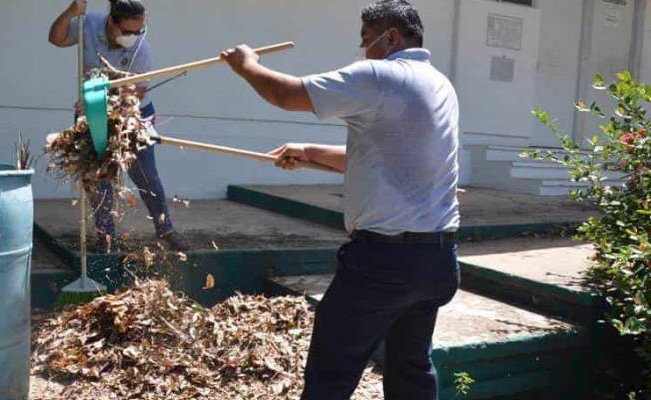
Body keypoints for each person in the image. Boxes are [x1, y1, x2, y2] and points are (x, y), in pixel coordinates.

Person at [222, 1, 460, 399]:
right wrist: (310, 152)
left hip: (384, 263)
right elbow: (379, 159)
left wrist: (247, 65)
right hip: (436, 260)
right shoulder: (438, 84)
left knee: (330, 377)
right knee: (411, 372)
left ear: (391, 37)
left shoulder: (381, 75)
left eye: (366, 40)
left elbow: (286, 94)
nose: (364, 49)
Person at [48, 0, 189, 252]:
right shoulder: (88, 24)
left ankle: (165, 229)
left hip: (133, 111)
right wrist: (72, 11)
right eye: (127, 31)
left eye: (138, 31)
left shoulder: (142, 51)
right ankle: (106, 236)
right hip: (91, 112)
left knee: (144, 173)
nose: (132, 37)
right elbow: (56, 39)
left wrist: (99, 102)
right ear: (111, 22)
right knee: (98, 175)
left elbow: (134, 93)